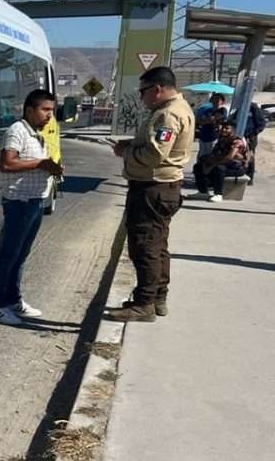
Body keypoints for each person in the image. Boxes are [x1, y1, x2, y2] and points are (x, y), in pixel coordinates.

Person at [105, 65, 195, 322]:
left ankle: (144, 304)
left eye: (143, 91)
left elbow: (155, 155)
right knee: (158, 245)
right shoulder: (174, 110)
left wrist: (126, 153)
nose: (141, 97)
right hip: (161, 188)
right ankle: (157, 297)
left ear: (157, 89)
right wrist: (131, 144)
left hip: (152, 188)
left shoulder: (168, 115)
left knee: (144, 247)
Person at [0, 89, 64, 326]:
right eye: (45, 110)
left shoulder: (38, 134)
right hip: (19, 202)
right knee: (9, 254)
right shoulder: (17, 131)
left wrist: (52, 167)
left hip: (35, 200)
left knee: (21, 254)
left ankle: (13, 299)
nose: (49, 115)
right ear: (30, 109)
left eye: (52, 110)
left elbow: (37, 163)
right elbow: (7, 164)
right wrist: (41, 163)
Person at [193, 120, 249, 201]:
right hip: (223, 164)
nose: (224, 130)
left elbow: (229, 157)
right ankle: (203, 192)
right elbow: (214, 153)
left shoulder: (237, 141)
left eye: (227, 128)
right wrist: (207, 161)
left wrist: (212, 165)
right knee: (198, 166)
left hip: (236, 167)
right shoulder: (221, 139)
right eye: (223, 128)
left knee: (219, 169)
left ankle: (218, 194)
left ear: (233, 130)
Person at [243, 100, 266, 183]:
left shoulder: (253, 107)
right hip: (240, 135)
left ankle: (249, 177)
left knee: (250, 156)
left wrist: (253, 133)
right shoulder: (239, 106)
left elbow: (262, 123)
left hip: (251, 137)